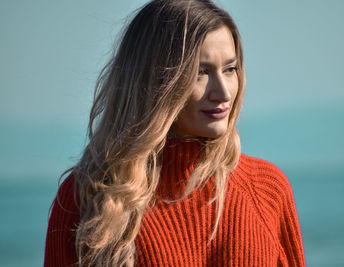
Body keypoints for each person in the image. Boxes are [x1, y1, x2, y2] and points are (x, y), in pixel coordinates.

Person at [44, 0, 305, 266]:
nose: (223, 92)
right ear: (155, 81)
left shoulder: (267, 191)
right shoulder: (88, 199)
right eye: (201, 72)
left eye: (230, 69)